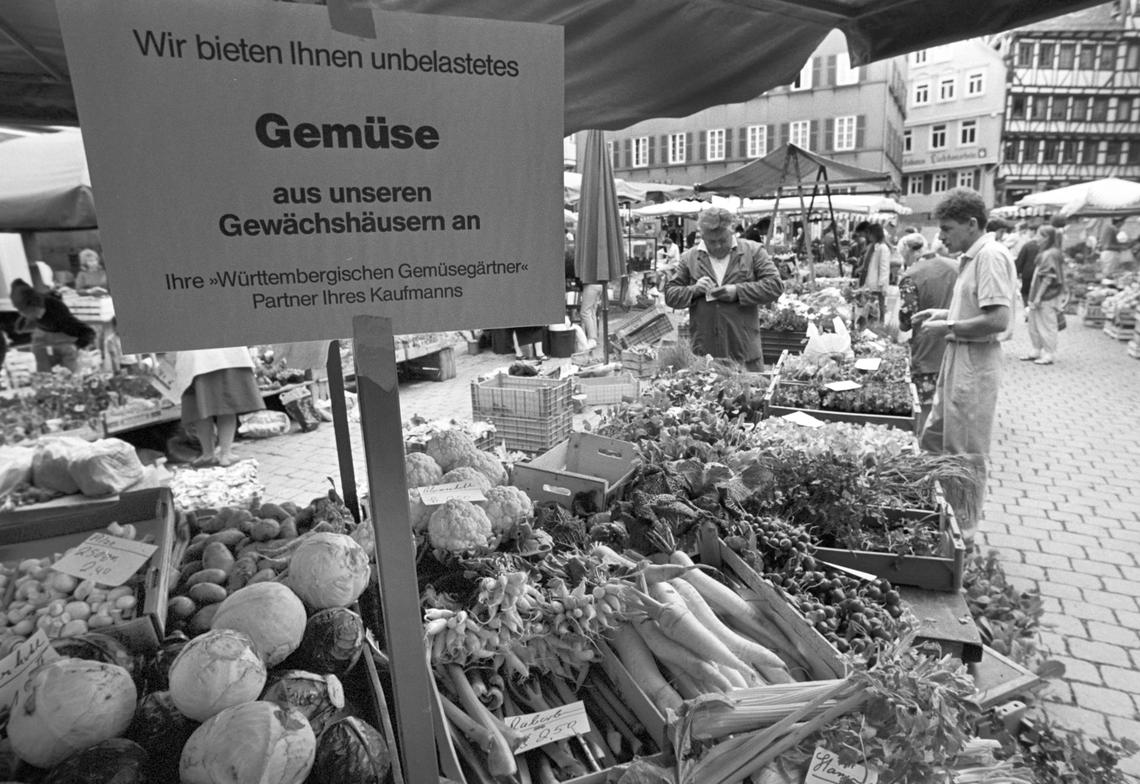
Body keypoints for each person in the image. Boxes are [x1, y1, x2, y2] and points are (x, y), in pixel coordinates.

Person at [912, 188, 1017, 546]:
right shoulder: (973, 257)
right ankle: (944, 518)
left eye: (947, 229)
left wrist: (950, 327)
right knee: (938, 437)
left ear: (972, 224)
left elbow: (998, 319)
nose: (940, 237)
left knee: (966, 452)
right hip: (961, 356)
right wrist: (943, 315)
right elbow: (976, 309)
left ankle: (964, 538)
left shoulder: (990, 256)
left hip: (975, 359)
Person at [663, 206, 782, 371]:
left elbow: (775, 286)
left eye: (723, 240)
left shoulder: (753, 251)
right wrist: (694, 290)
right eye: (712, 242)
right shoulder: (689, 257)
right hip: (705, 356)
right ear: (702, 236)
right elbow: (670, 295)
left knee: (751, 395)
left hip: (745, 354)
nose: (718, 246)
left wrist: (738, 291)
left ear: (732, 232)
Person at [896, 233, 958, 433]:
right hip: (958, 342)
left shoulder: (912, 275)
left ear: (908, 253)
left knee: (925, 406)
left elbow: (907, 319)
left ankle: (926, 445)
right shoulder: (956, 266)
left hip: (927, 347)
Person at [174, 347, 265, 467]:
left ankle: (208, 454)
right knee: (226, 405)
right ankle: (225, 454)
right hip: (225, 354)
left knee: (200, 408)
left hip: (193, 357)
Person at [9, 278, 95, 373]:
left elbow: (88, 332)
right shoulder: (29, 310)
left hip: (66, 347)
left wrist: (77, 347)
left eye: (28, 313)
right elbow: (20, 327)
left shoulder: (59, 315)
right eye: (23, 313)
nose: (24, 315)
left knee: (70, 374)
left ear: (36, 307)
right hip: (46, 348)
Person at [1022, 225, 1067, 366]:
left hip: (1046, 296)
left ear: (1047, 238)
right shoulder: (1048, 252)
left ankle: (1049, 353)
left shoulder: (1050, 254)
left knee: (1046, 325)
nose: (1036, 238)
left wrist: (1038, 297)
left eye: (1039, 235)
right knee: (1034, 324)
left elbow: (1047, 278)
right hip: (1040, 295)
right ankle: (1036, 350)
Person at [863, 223, 892, 321]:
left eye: (870, 234)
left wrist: (882, 284)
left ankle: (879, 327)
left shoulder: (883, 248)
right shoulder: (877, 247)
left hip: (878, 286)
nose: (869, 236)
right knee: (874, 309)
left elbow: (884, 267)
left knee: (878, 309)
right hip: (874, 284)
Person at [1012, 224, 1039, 307]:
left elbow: (1021, 259)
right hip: (1038, 273)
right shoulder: (1043, 245)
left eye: (1029, 231)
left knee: (1025, 292)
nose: (1028, 233)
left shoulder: (1028, 245)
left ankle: (1027, 309)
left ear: (1033, 231)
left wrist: (1017, 271)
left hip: (1027, 273)